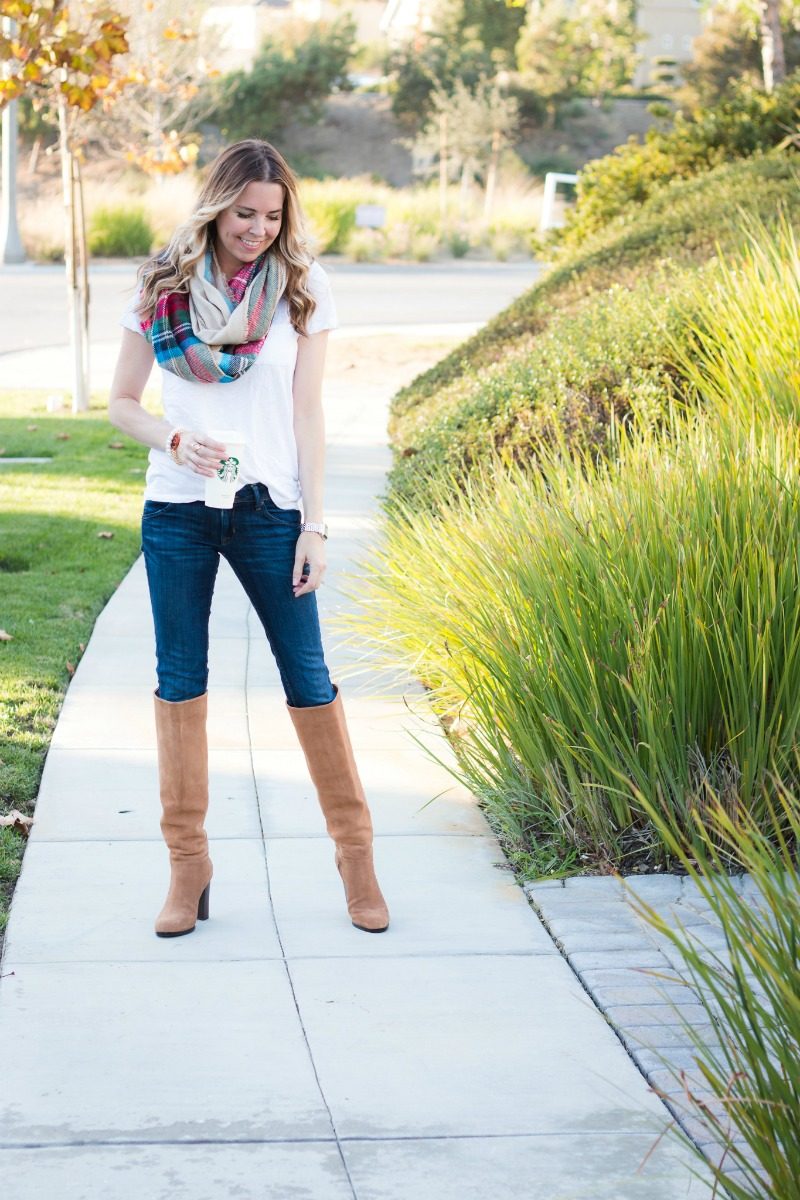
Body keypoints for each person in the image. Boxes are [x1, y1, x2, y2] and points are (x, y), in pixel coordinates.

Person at [108, 139, 389, 939]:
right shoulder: (159, 286)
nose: (259, 230)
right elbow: (122, 402)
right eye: (244, 214)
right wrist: (170, 439)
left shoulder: (303, 290)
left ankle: (356, 856)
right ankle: (187, 866)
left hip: (271, 509)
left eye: (272, 216)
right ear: (215, 207)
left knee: (308, 676)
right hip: (179, 510)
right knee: (179, 682)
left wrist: (317, 524)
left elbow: (308, 413)